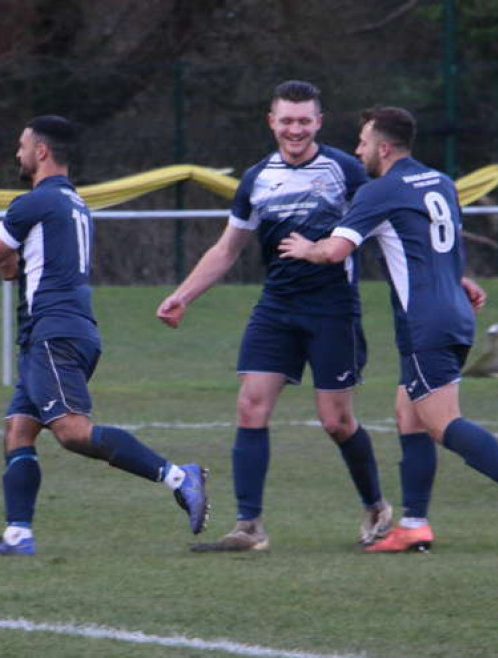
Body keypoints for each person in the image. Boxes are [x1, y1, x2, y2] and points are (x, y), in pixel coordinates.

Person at [279, 106, 498, 552]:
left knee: (441, 422)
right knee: (409, 415)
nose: (358, 150)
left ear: (384, 148)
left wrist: (307, 248)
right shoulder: (440, 182)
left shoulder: (380, 191)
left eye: (364, 142)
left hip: (425, 321)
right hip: (453, 313)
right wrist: (460, 281)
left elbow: (335, 252)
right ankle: (414, 525)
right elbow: (436, 246)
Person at [156, 81, 391, 552]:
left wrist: (447, 278)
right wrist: (183, 295)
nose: (295, 129)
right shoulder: (257, 178)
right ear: (271, 122)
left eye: (304, 120)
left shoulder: (346, 170)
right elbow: (227, 249)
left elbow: (388, 229)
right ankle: (249, 527)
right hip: (277, 308)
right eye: (286, 120)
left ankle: (376, 506)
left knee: (336, 421)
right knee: (250, 405)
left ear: (319, 122)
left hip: (332, 309)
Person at [0, 115, 209, 556]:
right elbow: (8, 267)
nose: (17, 154)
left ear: (41, 151)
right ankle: (18, 536)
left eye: (22, 145)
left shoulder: (35, 203)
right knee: (18, 431)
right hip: (59, 332)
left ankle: (179, 476)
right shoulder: (69, 203)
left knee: (73, 432)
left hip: (53, 336)